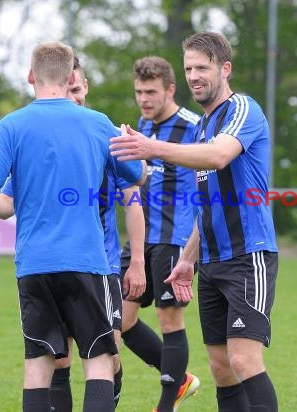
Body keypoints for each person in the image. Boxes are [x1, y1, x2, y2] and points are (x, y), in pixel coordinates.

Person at [0, 41, 146, 412]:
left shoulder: (12, 126)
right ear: (71, 76)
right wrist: (129, 143)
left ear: (31, 76)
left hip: (34, 266)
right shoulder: (97, 124)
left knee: (38, 367)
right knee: (99, 362)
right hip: (86, 263)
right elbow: (136, 174)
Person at [110, 31, 279, 412]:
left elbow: (219, 156)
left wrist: (152, 148)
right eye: (189, 68)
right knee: (221, 368)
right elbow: (208, 205)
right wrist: (187, 259)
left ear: (225, 68)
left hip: (247, 255)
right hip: (211, 260)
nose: (194, 75)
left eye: (202, 67)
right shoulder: (203, 124)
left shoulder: (243, 110)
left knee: (243, 360)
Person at [118, 55, 201, 412]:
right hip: (141, 237)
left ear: (170, 89)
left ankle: (166, 404)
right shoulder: (142, 125)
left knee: (170, 318)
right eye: (139, 92)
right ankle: (180, 379)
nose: (144, 99)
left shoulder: (194, 126)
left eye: (151, 92)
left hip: (174, 236)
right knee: (121, 321)